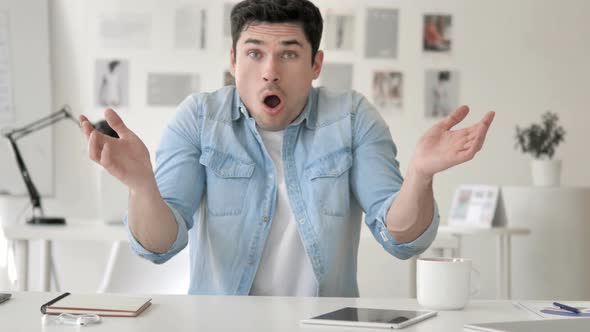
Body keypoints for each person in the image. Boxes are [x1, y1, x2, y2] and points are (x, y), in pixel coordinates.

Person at [79, 0, 494, 297]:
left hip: (324, 325)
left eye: (289, 54)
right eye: (254, 53)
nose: (270, 72)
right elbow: (159, 245)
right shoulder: (199, 117)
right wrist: (142, 188)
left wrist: (421, 175)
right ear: (233, 61)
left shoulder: (351, 117)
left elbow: (400, 237)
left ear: (316, 64)